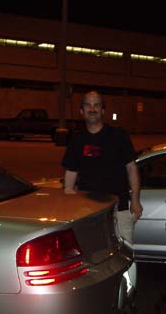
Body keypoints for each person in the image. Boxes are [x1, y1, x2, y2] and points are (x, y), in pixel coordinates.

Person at [61, 90, 143, 244]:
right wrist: (70, 204)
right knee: (94, 255)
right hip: (87, 212)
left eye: (96, 105)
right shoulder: (77, 140)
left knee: (124, 253)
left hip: (119, 210)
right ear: (81, 111)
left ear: (103, 110)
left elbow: (132, 168)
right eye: (88, 105)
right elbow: (70, 175)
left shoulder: (119, 135)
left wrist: (136, 200)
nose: (92, 109)